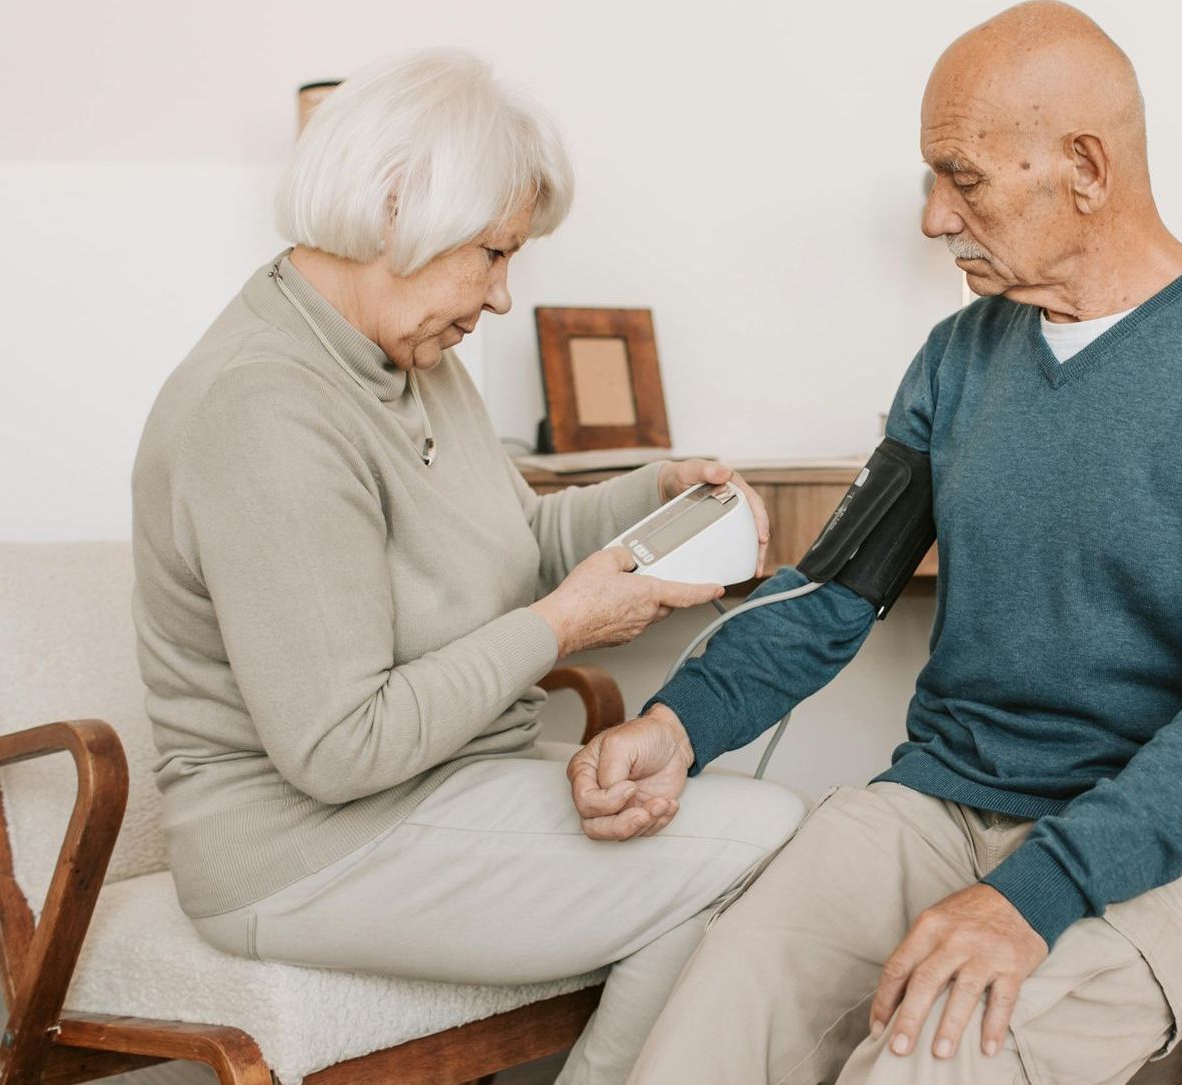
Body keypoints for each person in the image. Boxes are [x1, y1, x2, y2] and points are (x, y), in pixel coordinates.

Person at [569, 4, 1182, 1082]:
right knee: (711, 1010)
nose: (937, 215)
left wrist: (1033, 897)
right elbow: (835, 591)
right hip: (946, 797)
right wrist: (679, 721)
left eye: (963, 176)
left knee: (927, 1061)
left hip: (1175, 845)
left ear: (1084, 164)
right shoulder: (957, 359)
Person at [129, 48, 807, 1085]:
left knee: (754, 837)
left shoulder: (411, 354)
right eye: (492, 253)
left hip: (445, 789)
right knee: (759, 845)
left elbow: (508, 543)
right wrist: (565, 626)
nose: (500, 296)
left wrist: (649, 491)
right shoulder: (263, 407)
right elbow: (339, 747)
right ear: (396, 207)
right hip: (305, 848)